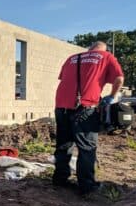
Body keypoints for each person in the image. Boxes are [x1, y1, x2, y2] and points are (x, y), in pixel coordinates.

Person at [53, 41, 124, 195]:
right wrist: (112, 96)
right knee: (87, 148)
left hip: (61, 106)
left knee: (64, 144)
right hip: (85, 108)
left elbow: (64, 79)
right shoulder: (106, 56)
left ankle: (59, 180)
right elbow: (119, 79)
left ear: (90, 48)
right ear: (104, 49)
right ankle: (87, 186)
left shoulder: (72, 57)